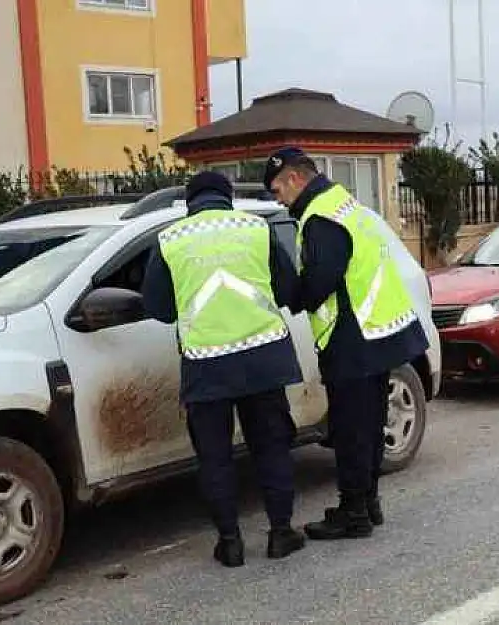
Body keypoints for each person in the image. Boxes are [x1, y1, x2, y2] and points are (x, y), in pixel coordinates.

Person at [140, 171, 306, 567]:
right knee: (271, 448)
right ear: (227, 198)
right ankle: (281, 533)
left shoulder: (170, 240)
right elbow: (286, 290)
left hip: (206, 364)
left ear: (189, 201)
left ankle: (230, 543)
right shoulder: (257, 229)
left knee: (215, 458)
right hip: (263, 357)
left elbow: (159, 309)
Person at [263, 147, 429, 540]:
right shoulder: (344, 203)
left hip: (353, 336)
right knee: (368, 424)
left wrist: (292, 292)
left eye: (276, 189)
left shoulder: (320, 218)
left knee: (352, 427)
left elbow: (319, 283)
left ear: (294, 179)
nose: (277, 198)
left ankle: (354, 512)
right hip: (380, 330)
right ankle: (368, 503)